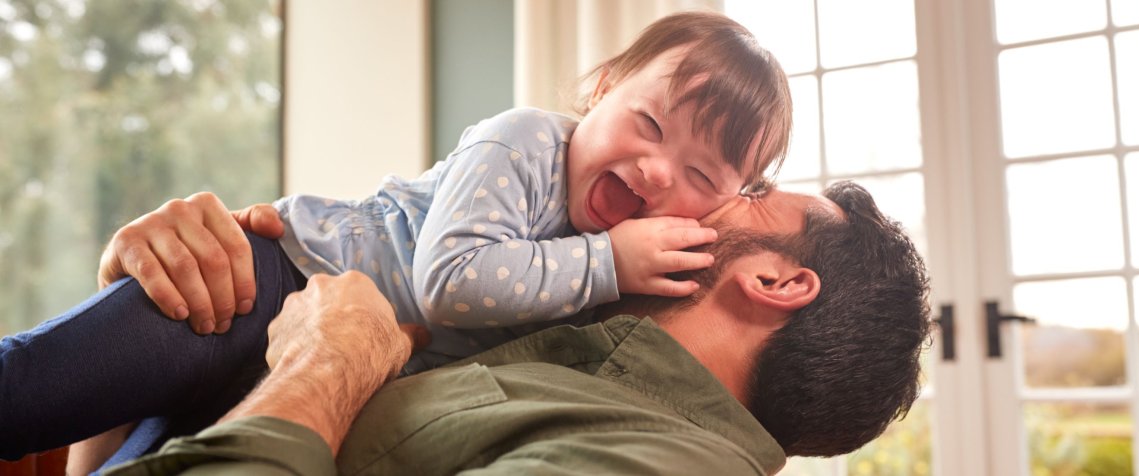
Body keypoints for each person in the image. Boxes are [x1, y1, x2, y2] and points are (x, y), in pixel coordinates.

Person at [0, 10, 793, 471]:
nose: (657, 171)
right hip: (270, 283)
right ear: (601, 91)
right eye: (648, 124)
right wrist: (607, 260)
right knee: (37, 388)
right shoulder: (523, 144)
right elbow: (451, 280)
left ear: (727, 205)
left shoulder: (633, 274)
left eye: (701, 174)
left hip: (319, 373)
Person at [103, 181, 933, 475]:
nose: (690, 195)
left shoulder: (659, 464)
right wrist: (149, 302)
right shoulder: (548, 363)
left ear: (776, 282)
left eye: (748, 191)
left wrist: (325, 366)